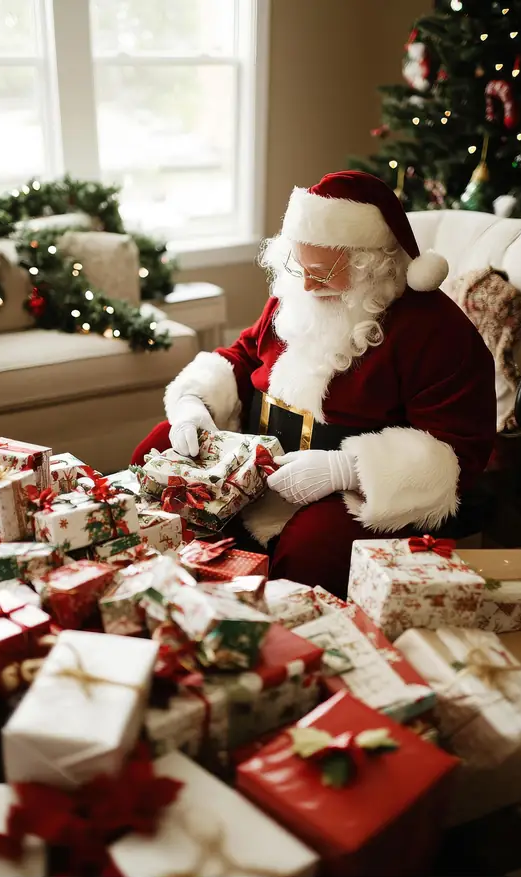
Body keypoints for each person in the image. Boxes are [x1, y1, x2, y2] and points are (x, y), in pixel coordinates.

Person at [132, 171, 496, 597]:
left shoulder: (436, 330)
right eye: (298, 264)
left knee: (314, 548)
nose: (305, 284)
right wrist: (196, 402)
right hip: (258, 457)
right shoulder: (295, 295)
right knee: (158, 453)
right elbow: (245, 354)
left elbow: (457, 448)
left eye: (322, 273)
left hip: (350, 491)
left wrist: (345, 469)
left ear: (370, 264)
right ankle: (165, 587)